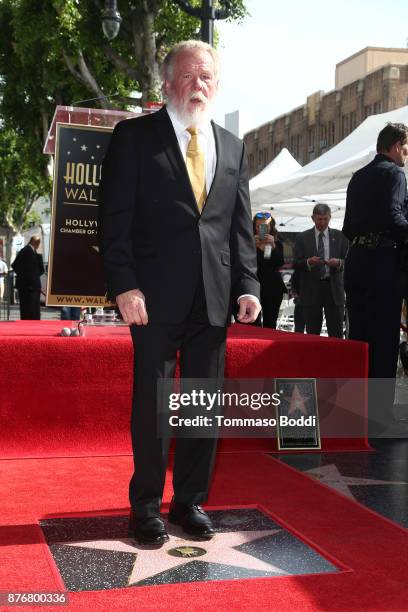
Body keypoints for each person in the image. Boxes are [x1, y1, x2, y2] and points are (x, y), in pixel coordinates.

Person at [99, 40, 261, 545]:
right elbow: (114, 221)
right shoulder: (134, 137)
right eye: (188, 76)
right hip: (152, 298)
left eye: (207, 76)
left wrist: (248, 285)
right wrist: (124, 285)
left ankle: (189, 502)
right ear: (166, 84)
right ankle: (144, 506)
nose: (198, 84)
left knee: (202, 403)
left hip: (212, 297)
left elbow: (238, 227)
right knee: (153, 404)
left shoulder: (232, 147)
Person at [343, 122, 408, 432]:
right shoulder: (395, 174)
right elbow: (395, 218)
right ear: (395, 146)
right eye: (406, 148)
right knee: (383, 341)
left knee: (360, 339)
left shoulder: (357, 177)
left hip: (357, 262)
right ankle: (380, 417)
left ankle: (357, 412)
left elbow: (347, 228)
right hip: (383, 263)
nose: (406, 155)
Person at [293, 204, 348, 338]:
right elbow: (296, 263)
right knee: (312, 334)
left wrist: (339, 263)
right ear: (313, 218)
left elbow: (349, 261)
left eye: (325, 219)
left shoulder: (341, 236)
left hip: (334, 289)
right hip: (311, 290)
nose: (322, 222)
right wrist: (308, 262)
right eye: (319, 219)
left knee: (336, 333)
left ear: (330, 217)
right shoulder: (302, 237)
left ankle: (335, 359)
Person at [253, 212, 286, 328]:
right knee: (253, 323)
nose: (262, 230)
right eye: (259, 227)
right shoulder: (248, 242)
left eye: (266, 226)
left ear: (271, 227)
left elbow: (279, 263)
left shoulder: (276, 242)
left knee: (270, 323)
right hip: (253, 287)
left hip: (272, 288)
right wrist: (253, 246)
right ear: (254, 227)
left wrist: (273, 246)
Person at [11, 235, 44, 320]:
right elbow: (30, 271)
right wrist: (29, 281)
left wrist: (22, 277)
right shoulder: (28, 251)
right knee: (31, 311)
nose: (38, 246)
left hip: (28, 286)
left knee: (27, 310)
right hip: (30, 287)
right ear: (35, 243)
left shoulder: (26, 251)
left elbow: (15, 265)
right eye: (38, 243)